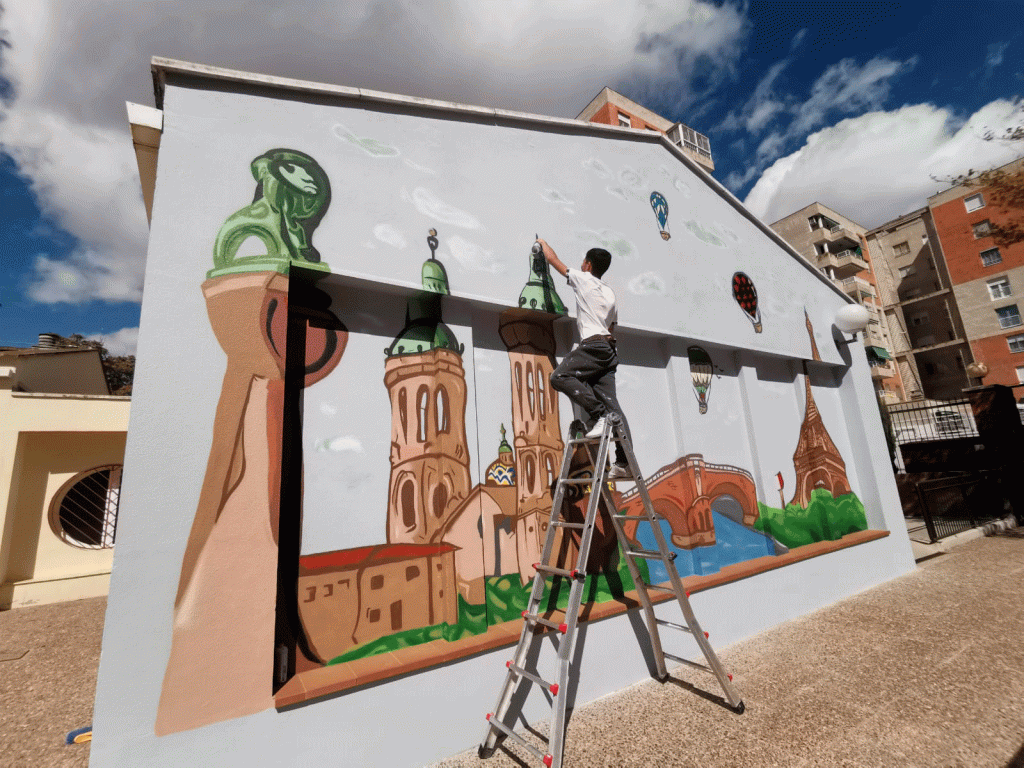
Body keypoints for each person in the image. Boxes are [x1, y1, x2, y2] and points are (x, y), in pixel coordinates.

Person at [535, 238, 633, 480]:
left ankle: (599, 415)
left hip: (594, 345)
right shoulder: (610, 293)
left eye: (583, 262)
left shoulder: (583, 279)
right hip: (609, 348)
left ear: (588, 265)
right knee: (615, 407)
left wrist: (542, 242)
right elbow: (612, 326)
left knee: (559, 376)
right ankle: (625, 461)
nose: (581, 264)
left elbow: (554, 261)